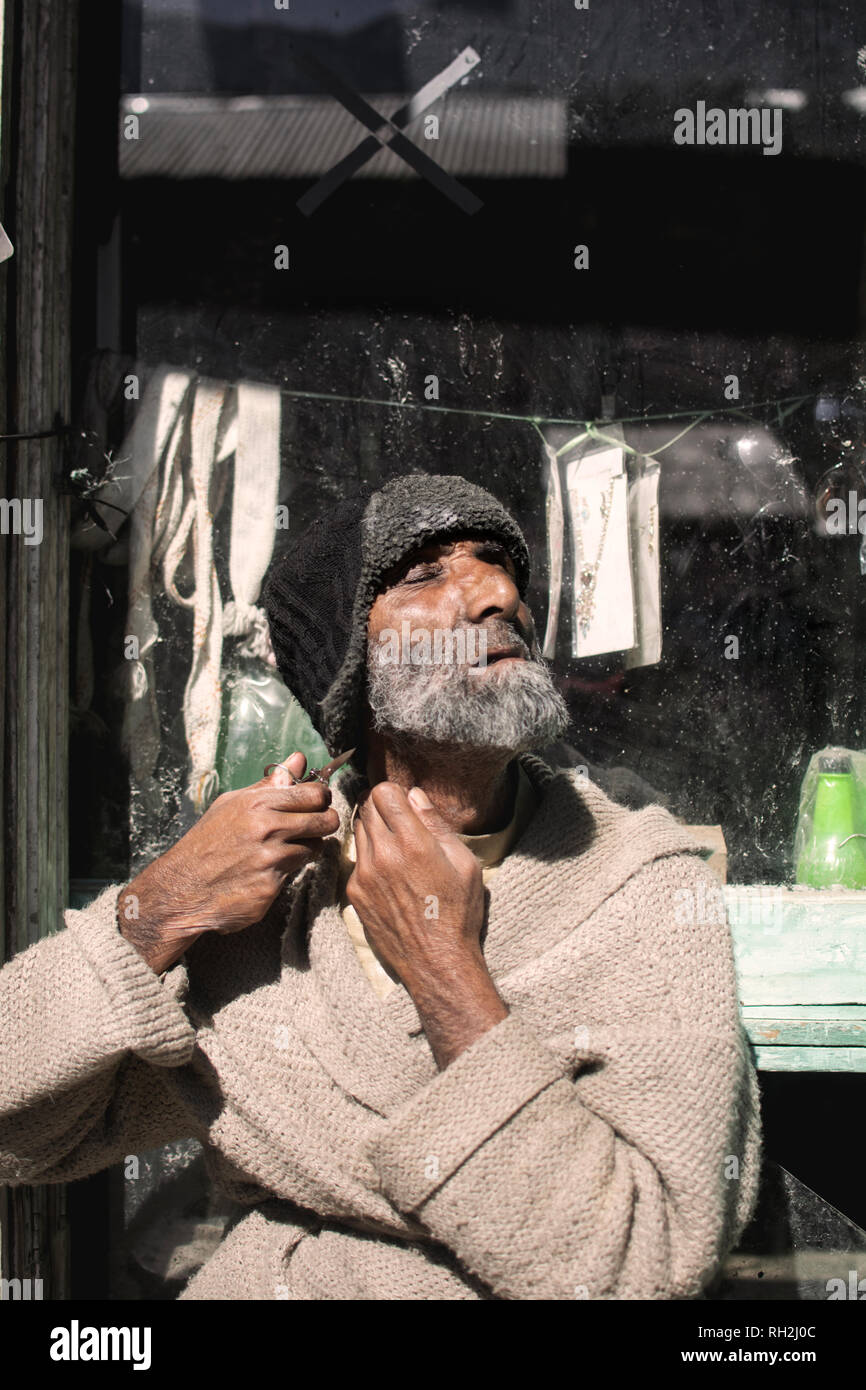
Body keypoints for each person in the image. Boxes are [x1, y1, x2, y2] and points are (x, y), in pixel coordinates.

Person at [0, 472, 761, 1300]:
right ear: (350, 667)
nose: (498, 593)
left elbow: (639, 1268)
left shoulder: (641, 889)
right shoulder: (273, 908)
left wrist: (444, 968)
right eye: (425, 575)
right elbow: (20, 1133)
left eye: (500, 562)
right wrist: (160, 908)